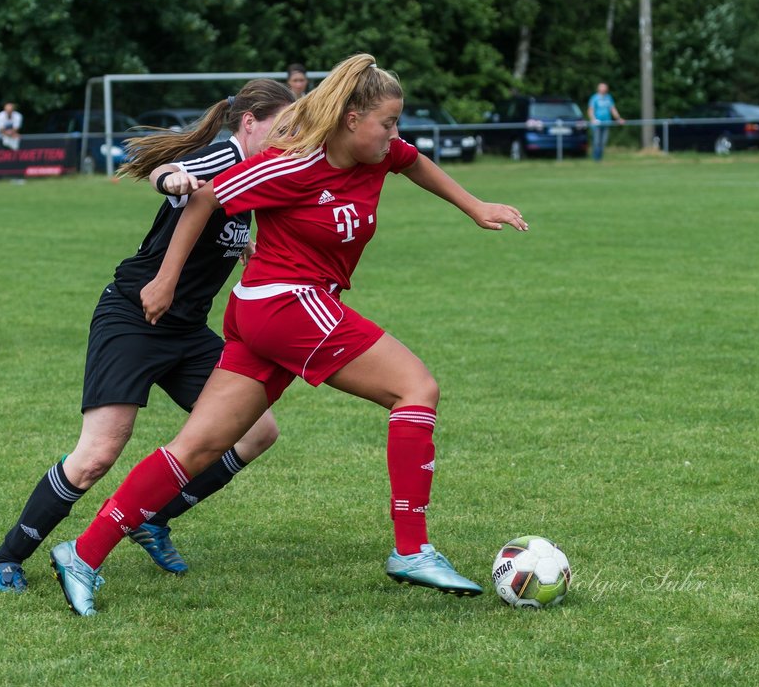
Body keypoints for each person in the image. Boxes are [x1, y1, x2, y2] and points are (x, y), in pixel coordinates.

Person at [49, 54, 528, 616]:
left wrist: (475, 207)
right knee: (416, 388)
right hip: (285, 304)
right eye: (388, 123)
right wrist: (166, 278)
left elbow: (414, 161)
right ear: (352, 119)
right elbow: (205, 197)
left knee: (198, 446)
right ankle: (412, 548)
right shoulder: (291, 165)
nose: (395, 135)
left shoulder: (378, 152)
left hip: (278, 313)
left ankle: (82, 553)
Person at [0, 79, 296, 593]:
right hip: (134, 317)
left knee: (257, 432)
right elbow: (171, 171)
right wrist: (171, 181)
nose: (289, 138)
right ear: (249, 122)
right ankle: (6, 557)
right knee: (98, 454)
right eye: (282, 127)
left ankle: (151, 518)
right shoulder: (221, 158)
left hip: (188, 331)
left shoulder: (260, 172)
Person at [587, 82, 625, 161]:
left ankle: (600, 158)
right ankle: (596, 159)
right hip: (597, 124)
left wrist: (618, 118)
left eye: (605, 87)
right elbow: (590, 110)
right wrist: (593, 119)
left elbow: (612, 109)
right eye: (602, 87)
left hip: (606, 123)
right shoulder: (594, 98)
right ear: (598, 88)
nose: (603, 89)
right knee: (597, 142)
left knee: (603, 142)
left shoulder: (608, 98)